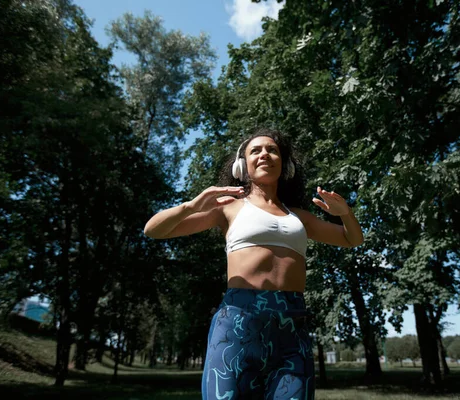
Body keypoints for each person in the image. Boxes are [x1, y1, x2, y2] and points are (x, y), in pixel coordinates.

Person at [144, 128, 364, 400]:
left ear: (285, 165)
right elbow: (154, 230)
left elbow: (351, 239)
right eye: (255, 150)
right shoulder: (229, 207)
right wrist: (191, 206)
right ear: (242, 165)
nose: (264, 155)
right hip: (237, 323)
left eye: (272, 150)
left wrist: (346, 213)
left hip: (291, 326)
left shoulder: (301, 217)